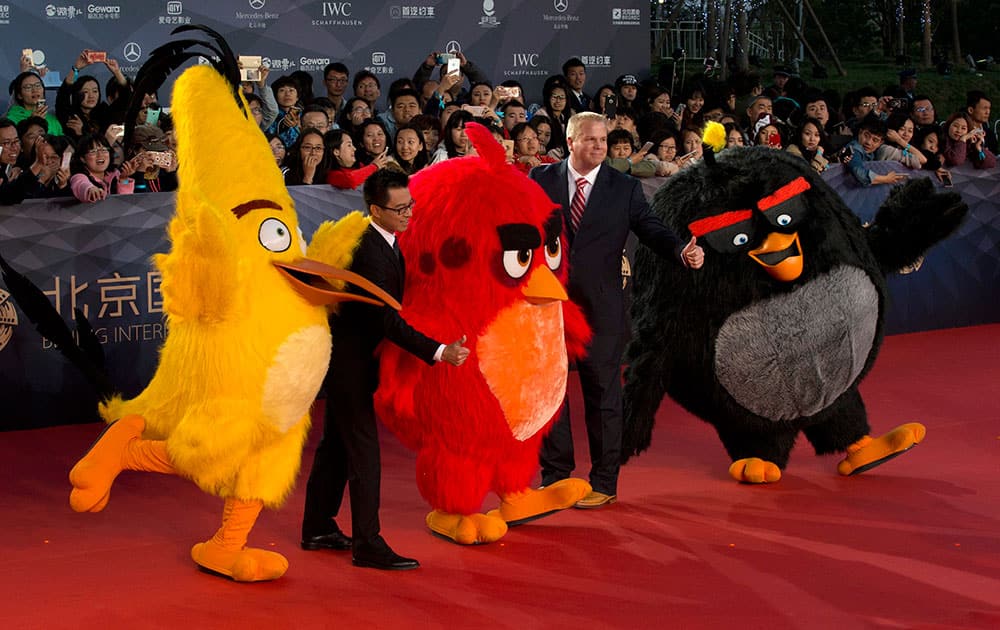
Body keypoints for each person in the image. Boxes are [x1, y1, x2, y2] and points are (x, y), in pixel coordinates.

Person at [528, 112, 704, 508]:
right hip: (549, 305)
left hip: (602, 307)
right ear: (570, 141)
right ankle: (556, 475)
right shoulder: (540, 180)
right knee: (550, 393)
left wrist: (679, 250)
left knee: (603, 394)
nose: (599, 147)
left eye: (603, 141)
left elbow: (650, 227)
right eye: (590, 140)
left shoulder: (623, 187)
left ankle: (604, 481)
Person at [301, 168, 469, 570]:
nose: (409, 213)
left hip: (355, 360)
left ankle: (317, 526)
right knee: (364, 456)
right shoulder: (369, 250)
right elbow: (386, 321)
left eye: (410, 204)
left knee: (336, 449)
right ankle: (368, 544)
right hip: (349, 364)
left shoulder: (386, 241)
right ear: (376, 210)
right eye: (400, 209)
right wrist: (440, 351)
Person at [6, 71, 64, 135]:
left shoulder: (52, 119)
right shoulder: (11, 119)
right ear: (19, 95)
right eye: (28, 87)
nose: (35, 90)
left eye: (38, 85)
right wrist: (32, 122)